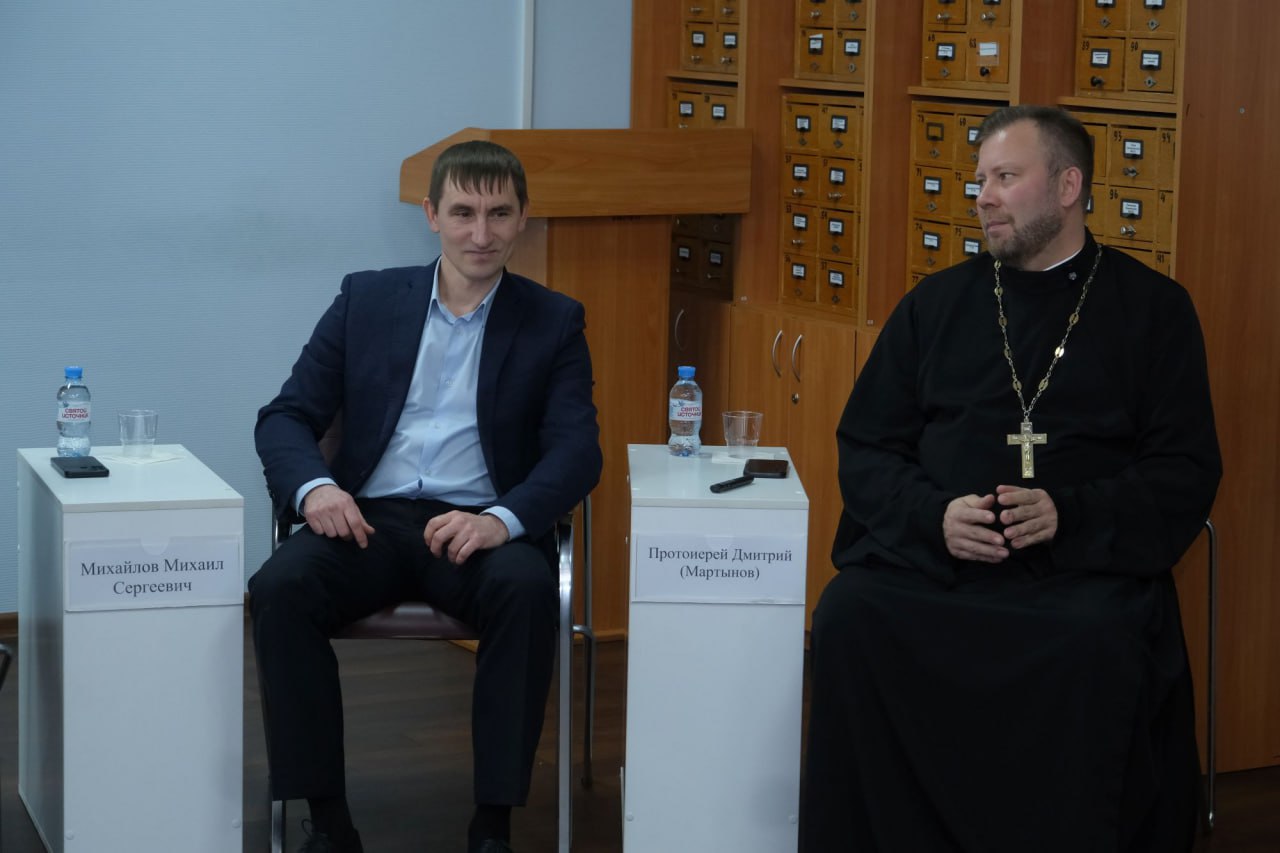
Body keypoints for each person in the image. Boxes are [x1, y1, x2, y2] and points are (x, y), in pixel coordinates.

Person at [801, 105, 1221, 852]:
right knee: (849, 614)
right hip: (943, 566)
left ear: (1067, 186)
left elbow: (1184, 467)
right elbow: (867, 444)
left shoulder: (1153, 310)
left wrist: (1070, 514)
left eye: (1003, 177)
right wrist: (934, 516)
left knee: (1099, 641)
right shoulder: (936, 304)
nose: (982, 197)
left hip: (1079, 572)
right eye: (979, 180)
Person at [249, 140, 602, 853]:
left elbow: (577, 450)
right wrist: (316, 489)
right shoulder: (366, 300)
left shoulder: (554, 320)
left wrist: (503, 520)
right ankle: (328, 821)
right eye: (464, 212)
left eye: (499, 214)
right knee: (279, 588)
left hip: (477, 528)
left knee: (526, 590)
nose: (482, 233)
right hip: (368, 522)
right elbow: (285, 417)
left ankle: (492, 826)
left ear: (523, 217)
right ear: (431, 214)